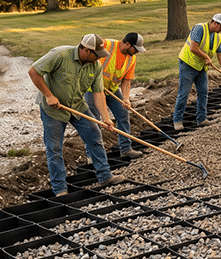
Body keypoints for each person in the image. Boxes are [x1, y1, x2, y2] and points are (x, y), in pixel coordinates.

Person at [28, 33, 125, 196]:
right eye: (96, 55)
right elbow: (33, 72)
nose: (98, 59)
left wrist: (106, 118)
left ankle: (105, 176)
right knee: (55, 148)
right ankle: (59, 188)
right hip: (54, 110)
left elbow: (98, 93)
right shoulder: (60, 55)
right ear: (86, 50)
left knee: (94, 135)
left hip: (77, 106)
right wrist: (49, 95)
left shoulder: (95, 66)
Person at [84, 32, 146, 160]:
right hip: (92, 89)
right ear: (127, 44)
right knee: (93, 121)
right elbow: (88, 50)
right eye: (136, 49)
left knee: (123, 114)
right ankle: (92, 156)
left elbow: (126, 80)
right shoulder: (107, 45)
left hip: (111, 89)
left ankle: (126, 149)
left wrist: (126, 98)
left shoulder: (131, 58)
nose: (137, 52)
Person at [173, 13, 221, 131]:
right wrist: (206, 57)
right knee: (184, 93)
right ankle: (177, 120)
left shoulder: (217, 36)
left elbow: (220, 55)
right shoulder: (199, 28)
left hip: (201, 67)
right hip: (188, 64)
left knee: (203, 92)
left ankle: (201, 119)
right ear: (215, 23)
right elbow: (193, 47)